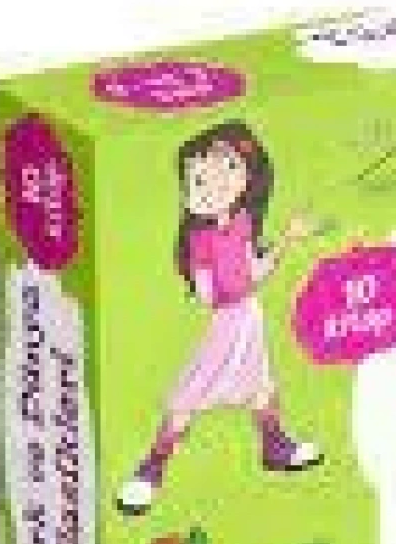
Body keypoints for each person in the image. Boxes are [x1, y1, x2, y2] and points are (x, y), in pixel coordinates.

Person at [116, 120, 322, 516]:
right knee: (190, 395)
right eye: (199, 179)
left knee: (261, 386)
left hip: (248, 319)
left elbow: (256, 272)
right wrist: (236, 281)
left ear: (247, 179)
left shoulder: (242, 224)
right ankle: (151, 469)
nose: (214, 185)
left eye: (228, 169)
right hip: (226, 323)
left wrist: (287, 240)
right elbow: (212, 293)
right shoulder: (201, 240)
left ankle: (275, 446)